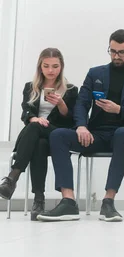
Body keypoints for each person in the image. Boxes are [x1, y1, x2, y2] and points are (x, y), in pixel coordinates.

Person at [37, 29, 124, 222]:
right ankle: (68, 201)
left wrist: (119, 110)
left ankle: (108, 202)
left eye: (121, 52)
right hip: (94, 134)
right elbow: (81, 103)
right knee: (58, 135)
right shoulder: (95, 73)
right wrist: (81, 126)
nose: (116, 56)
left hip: (120, 137)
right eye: (112, 51)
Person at [0, 48, 78, 220]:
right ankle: (39, 201)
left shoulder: (71, 90)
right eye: (47, 66)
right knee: (38, 143)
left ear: (61, 67)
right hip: (35, 136)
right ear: (40, 67)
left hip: (57, 135)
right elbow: (25, 113)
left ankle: (13, 177)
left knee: (36, 129)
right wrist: (34, 118)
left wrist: (61, 104)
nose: (51, 70)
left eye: (55, 66)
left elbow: (71, 120)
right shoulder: (30, 87)